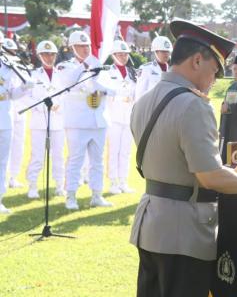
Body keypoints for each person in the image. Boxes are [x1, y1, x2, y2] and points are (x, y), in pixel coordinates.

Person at [129, 18, 237, 297]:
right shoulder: (193, 105)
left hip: (152, 223)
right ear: (197, 60)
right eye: (214, 70)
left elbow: (174, 161)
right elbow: (209, 177)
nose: (214, 80)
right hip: (183, 232)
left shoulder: (144, 101)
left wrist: (225, 170)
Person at [55, 30, 114, 210]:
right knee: (75, 160)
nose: (85, 49)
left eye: (87, 45)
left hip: (98, 121)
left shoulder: (99, 65)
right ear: (72, 48)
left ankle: (97, 195)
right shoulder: (66, 67)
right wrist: (87, 66)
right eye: (80, 46)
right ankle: (71, 196)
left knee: (98, 161)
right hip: (77, 123)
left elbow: (112, 89)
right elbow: (70, 82)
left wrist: (97, 83)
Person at [25, 40, 66, 199]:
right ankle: (33, 185)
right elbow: (26, 98)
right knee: (37, 155)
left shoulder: (61, 75)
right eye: (45, 54)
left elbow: (66, 95)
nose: (49, 57)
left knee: (58, 155)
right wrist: (41, 107)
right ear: (39, 56)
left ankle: (59, 185)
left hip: (57, 120)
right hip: (39, 121)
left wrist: (58, 106)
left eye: (51, 54)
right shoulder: (33, 75)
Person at [0, 31, 32, 214]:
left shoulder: (7, 66)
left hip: (5, 118)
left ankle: (0, 199)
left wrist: (24, 88)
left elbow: (12, 94)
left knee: (2, 161)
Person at [101, 40, 137, 194]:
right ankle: (113, 182)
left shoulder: (132, 73)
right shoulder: (108, 73)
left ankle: (123, 181)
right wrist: (121, 98)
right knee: (114, 150)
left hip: (128, 117)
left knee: (126, 151)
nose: (123, 57)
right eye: (119, 54)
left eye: (125, 54)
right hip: (113, 116)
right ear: (113, 55)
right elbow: (105, 94)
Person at [4, 38, 27, 189]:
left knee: (18, 146)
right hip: (7, 111)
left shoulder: (19, 68)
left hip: (19, 112)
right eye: (8, 51)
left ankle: (13, 176)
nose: (12, 54)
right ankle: (5, 179)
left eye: (14, 51)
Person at [134, 36, 172, 100]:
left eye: (168, 51)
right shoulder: (146, 69)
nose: (166, 54)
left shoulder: (172, 71)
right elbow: (139, 94)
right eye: (163, 51)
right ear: (156, 52)